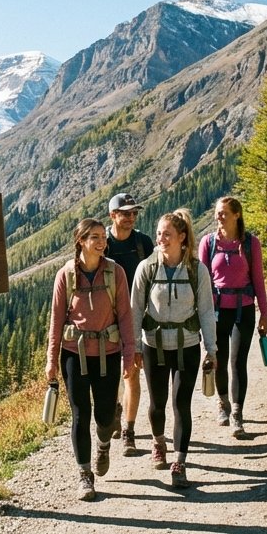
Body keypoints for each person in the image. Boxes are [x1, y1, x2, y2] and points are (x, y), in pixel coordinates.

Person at [45, 218, 136, 501]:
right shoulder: (66, 275)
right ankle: (85, 475)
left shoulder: (115, 273)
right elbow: (56, 320)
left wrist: (129, 355)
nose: (101, 242)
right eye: (94, 237)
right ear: (81, 241)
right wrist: (51, 360)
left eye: (102, 237)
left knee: (105, 414)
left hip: (108, 353)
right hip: (75, 353)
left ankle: (104, 443)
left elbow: (125, 315)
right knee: (80, 414)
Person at [130, 208, 217, 489]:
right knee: (156, 404)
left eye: (166, 234)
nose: (160, 239)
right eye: (158, 234)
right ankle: (158, 443)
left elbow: (206, 310)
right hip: (153, 345)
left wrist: (211, 348)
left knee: (181, 404)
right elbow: (134, 310)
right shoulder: (147, 267)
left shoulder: (197, 269)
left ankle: (179, 462)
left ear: (182, 237)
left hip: (187, 346)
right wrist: (133, 349)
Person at [198, 195, 267, 439]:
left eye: (224, 212)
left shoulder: (251, 244)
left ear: (236, 214)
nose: (219, 216)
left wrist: (264, 313)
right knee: (218, 358)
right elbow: (202, 282)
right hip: (216, 312)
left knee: (238, 361)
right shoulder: (208, 243)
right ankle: (223, 403)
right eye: (217, 212)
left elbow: (258, 280)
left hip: (244, 309)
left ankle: (237, 413)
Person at [105, 192, 155, 456]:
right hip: (108, 320)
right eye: (125, 214)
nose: (131, 218)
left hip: (137, 318)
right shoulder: (104, 243)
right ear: (113, 215)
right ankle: (115, 408)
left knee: (132, 373)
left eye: (134, 213)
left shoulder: (143, 243)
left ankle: (129, 431)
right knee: (113, 374)